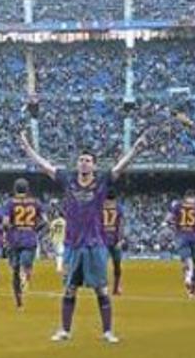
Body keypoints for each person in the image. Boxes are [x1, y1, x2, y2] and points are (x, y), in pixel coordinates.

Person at [19, 130, 148, 344]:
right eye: (81, 160)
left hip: (95, 244)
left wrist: (135, 150)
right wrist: (28, 148)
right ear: (77, 164)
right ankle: (65, 330)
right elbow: (45, 166)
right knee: (69, 289)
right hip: (72, 244)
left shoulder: (102, 181)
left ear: (94, 166)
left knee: (101, 289)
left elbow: (120, 167)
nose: (84, 163)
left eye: (88, 161)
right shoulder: (67, 179)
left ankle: (107, 331)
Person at [3, 178, 45, 310]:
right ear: (28, 189)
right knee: (26, 265)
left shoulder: (9, 203)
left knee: (14, 269)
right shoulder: (36, 202)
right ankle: (25, 275)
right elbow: (45, 220)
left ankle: (19, 302)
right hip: (29, 237)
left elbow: (5, 222)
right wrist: (34, 229)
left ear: (15, 189)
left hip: (14, 238)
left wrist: (10, 230)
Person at [167, 190, 195, 299]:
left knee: (186, 260)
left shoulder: (178, 205)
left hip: (182, 236)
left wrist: (176, 226)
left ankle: (188, 276)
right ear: (194, 196)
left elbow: (169, 220)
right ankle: (193, 291)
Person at [102, 191, 126, 296]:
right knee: (116, 265)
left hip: (103, 241)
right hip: (113, 240)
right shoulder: (118, 208)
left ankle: (106, 288)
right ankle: (115, 288)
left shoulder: (99, 207)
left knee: (103, 265)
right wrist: (120, 239)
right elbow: (121, 224)